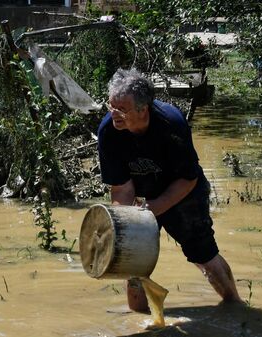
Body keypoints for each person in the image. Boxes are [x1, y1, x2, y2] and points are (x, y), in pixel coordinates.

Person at [97, 68, 241, 313]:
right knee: (132, 264)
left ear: (143, 110)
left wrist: (152, 210)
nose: (114, 115)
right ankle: (140, 320)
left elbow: (188, 179)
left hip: (183, 192)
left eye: (121, 109)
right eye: (110, 106)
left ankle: (236, 308)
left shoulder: (170, 123)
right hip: (144, 197)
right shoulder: (109, 131)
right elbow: (121, 188)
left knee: (202, 254)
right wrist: (124, 223)